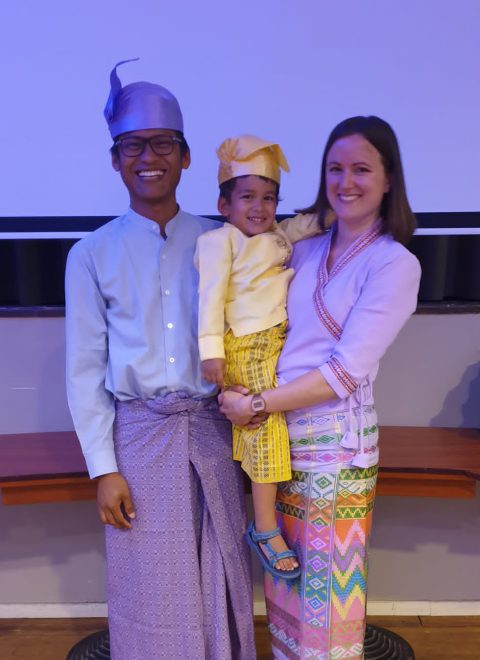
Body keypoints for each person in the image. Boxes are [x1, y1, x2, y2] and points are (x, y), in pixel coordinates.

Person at [65, 59, 256, 660]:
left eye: (163, 143)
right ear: (115, 160)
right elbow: (84, 371)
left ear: (186, 156)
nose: (149, 157)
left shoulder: (223, 241)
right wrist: (104, 469)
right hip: (139, 441)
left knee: (221, 573)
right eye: (133, 145)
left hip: (214, 432)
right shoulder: (90, 253)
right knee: (150, 589)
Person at [219, 116, 421, 659]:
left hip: (336, 449)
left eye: (361, 169)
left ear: (388, 179)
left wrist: (255, 403)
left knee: (326, 617)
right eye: (335, 168)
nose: (345, 182)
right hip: (279, 443)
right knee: (285, 608)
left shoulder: (394, 263)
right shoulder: (302, 248)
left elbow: (343, 373)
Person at [195, 135, 320, 579]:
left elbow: (304, 226)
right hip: (245, 343)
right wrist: (210, 350)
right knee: (263, 427)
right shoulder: (220, 241)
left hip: (274, 343)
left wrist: (333, 209)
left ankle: (268, 520)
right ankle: (264, 528)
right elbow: (210, 297)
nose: (259, 207)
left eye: (269, 198)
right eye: (247, 197)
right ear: (224, 205)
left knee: (269, 428)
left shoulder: (275, 237)